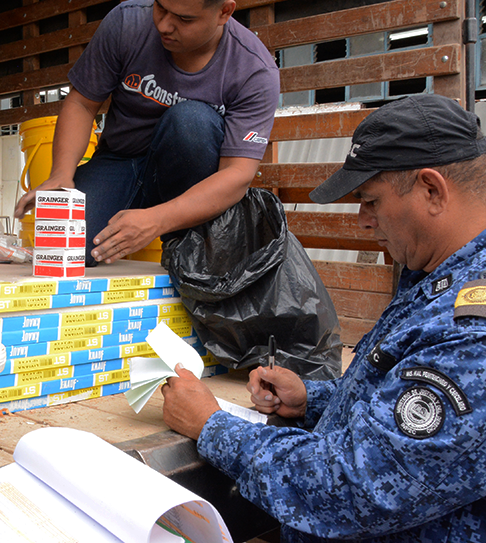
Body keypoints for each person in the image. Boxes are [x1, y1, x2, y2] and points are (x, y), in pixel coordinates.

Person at [160, 94, 486, 542]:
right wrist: (313, 400)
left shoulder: (473, 331)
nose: (363, 221)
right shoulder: (437, 276)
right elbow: (396, 402)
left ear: (431, 189)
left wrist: (211, 424)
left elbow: (355, 487)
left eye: (370, 201)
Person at [14, 0, 279, 266]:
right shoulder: (127, 23)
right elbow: (82, 102)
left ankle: (186, 247)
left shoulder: (253, 70)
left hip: (189, 180)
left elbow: (237, 174)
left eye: (184, 19)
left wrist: (159, 219)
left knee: (192, 122)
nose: (164, 25)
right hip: (121, 162)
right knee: (68, 249)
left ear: (224, 13)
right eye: (160, 6)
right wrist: (61, 174)